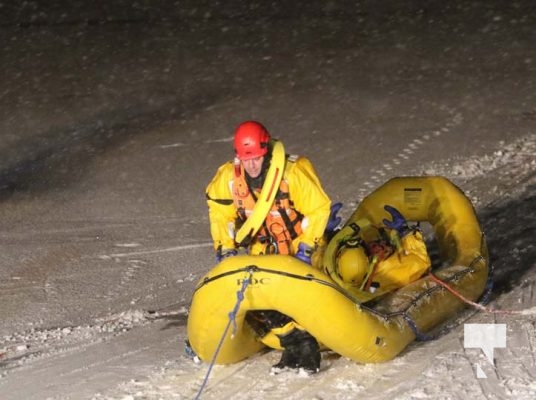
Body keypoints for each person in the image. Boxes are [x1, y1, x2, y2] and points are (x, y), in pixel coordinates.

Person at [205, 120, 341, 374]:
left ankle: (311, 338)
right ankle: (296, 344)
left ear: (266, 151)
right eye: (246, 159)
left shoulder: (293, 172)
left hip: (300, 247)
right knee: (260, 296)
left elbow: (319, 208)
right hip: (262, 251)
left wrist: (306, 249)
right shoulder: (228, 179)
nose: (252, 165)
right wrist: (226, 249)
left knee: (305, 295)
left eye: (256, 157)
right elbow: (220, 215)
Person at [337, 205, 431, 298]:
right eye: (375, 245)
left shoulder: (349, 277)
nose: (382, 242)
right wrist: (404, 231)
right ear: (368, 258)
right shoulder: (385, 273)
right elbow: (420, 263)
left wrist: (327, 236)